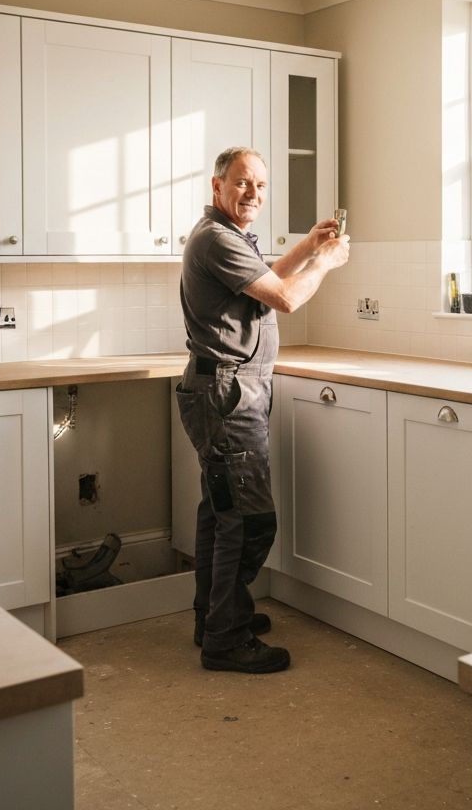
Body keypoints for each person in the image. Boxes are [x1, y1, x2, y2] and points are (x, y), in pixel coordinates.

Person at [176, 146, 349, 673]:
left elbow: (265, 282)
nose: (253, 193)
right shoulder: (216, 239)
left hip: (229, 390)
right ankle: (225, 640)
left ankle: (215, 618)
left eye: (261, 185)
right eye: (243, 183)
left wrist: (307, 247)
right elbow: (287, 299)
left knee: (221, 512)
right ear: (217, 185)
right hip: (229, 395)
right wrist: (326, 262)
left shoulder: (223, 237)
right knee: (249, 522)